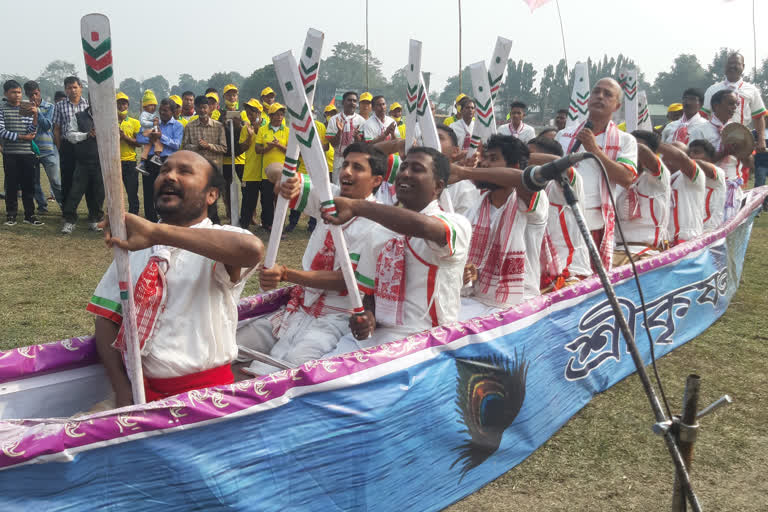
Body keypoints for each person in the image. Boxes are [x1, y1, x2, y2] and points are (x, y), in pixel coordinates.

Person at [87, 150, 263, 406]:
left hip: (206, 400)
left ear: (211, 195)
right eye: (164, 170)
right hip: (138, 393)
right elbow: (106, 318)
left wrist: (157, 233)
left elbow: (252, 250)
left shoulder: (224, 237)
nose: (169, 176)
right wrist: (123, 390)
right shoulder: (136, 246)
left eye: (185, 171)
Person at [237, 143, 386, 374]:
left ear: (376, 180)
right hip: (297, 308)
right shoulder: (329, 196)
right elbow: (273, 168)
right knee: (234, 344)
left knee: (293, 369)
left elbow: (346, 279)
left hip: (337, 317)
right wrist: (286, 180)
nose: (346, 171)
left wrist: (287, 274)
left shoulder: (378, 224)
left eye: (357, 167)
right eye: (345, 164)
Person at [324, 147, 472, 353]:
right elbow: (370, 295)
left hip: (427, 343)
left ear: (437, 186)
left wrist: (357, 207)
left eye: (417, 169)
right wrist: (369, 318)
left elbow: (424, 227)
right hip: (374, 342)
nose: (405, 173)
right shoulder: (378, 229)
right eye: (403, 167)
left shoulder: (455, 224)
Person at [453, 135, 549, 318]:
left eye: (493, 159)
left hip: (519, 301)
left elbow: (521, 179)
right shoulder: (476, 206)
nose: (484, 164)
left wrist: (465, 172)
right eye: (485, 158)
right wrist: (467, 272)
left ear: (514, 167)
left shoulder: (530, 201)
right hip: (476, 299)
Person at [555, 77, 638, 271]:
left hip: (593, 226)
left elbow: (627, 178)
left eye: (607, 94)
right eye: (596, 91)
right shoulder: (564, 135)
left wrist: (594, 150)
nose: (600, 96)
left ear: (616, 106)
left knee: (589, 281)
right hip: (559, 219)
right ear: (588, 98)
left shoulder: (626, 141)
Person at [612, 131, 671, 266]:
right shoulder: (617, 179)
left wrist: (627, 144)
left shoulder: (659, 177)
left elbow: (646, 154)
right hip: (619, 250)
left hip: (648, 252)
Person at [702, 52, 767, 154]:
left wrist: (761, 140)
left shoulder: (751, 90)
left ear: (743, 66)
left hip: (742, 141)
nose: (732, 66)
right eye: (729, 63)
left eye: (736, 63)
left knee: (741, 169)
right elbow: (704, 116)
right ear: (725, 66)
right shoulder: (713, 89)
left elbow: (758, 117)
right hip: (714, 140)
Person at [182, 95, 228, 224]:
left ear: (209, 108)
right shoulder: (190, 127)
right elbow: (185, 147)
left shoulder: (218, 126)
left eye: (204, 107)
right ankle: (199, 220)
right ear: (195, 108)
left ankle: (214, 221)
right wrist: (196, 147)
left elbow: (224, 148)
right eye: (199, 108)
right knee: (197, 195)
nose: (202, 110)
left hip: (214, 168)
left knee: (213, 195)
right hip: (196, 168)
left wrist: (209, 146)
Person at [136, 99, 184, 222]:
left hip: (168, 161)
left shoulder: (177, 126)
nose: (162, 113)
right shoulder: (153, 123)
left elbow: (176, 145)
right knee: (148, 191)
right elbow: (140, 138)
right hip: (151, 160)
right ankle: (150, 219)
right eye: (161, 110)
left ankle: (168, 218)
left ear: (173, 112)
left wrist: (161, 136)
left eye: (166, 110)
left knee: (167, 190)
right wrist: (151, 138)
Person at [1, 80, 41, 226]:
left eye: (18, 92)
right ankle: (11, 215)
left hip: (27, 153)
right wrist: (22, 137)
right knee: (11, 186)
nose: (17, 95)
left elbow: (31, 131)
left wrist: (36, 115)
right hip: (10, 153)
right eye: (13, 92)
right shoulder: (2, 109)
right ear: (6, 93)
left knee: (28, 186)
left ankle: (30, 215)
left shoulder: (27, 108)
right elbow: (1, 131)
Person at [61, 104, 105, 233]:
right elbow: (70, 136)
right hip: (83, 162)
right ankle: (69, 221)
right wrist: (86, 135)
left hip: (100, 162)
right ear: (91, 98)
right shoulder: (79, 116)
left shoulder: (106, 116)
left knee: (97, 193)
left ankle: (95, 220)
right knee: (75, 192)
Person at [688, 90, 748, 185]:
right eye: (730, 104)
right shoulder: (699, 131)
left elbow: (750, 164)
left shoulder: (738, 130)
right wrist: (725, 152)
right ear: (716, 106)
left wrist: (745, 150)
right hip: (709, 186)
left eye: (736, 104)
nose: (734, 108)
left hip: (734, 186)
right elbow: (695, 163)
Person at [657, 141, 707, 245]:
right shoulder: (657, 179)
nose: (669, 159)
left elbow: (681, 159)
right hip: (663, 244)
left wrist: (650, 142)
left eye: (674, 155)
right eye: (666, 155)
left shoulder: (694, 176)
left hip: (688, 243)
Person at [24, 80, 63, 210]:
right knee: (33, 182)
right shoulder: (24, 108)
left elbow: (47, 125)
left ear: (39, 91)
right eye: (30, 95)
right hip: (31, 150)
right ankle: (42, 205)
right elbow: (24, 127)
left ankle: (65, 207)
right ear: (26, 95)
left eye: (35, 94)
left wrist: (37, 112)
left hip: (49, 150)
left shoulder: (50, 107)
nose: (33, 97)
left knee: (56, 182)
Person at [52, 76, 88, 205]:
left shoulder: (88, 105)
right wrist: (59, 147)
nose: (72, 90)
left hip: (85, 144)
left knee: (87, 177)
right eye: (69, 88)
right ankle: (67, 211)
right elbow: (56, 129)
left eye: (75, 87)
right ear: (65, 90)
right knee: (67, 178)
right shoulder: (60, 106)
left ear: (80, 88)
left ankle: (93, 213)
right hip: (67, 145)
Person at [238, 99, 273, 231]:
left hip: (265, 170)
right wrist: (249, 136)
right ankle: (244, 225)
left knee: (267, 200)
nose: (249, 116)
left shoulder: (268, 126)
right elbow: (242, 148)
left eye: (252, 113)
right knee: (248, 200)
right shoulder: (245, 128)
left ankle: (267, 224)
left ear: (259, 112)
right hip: (251, 170)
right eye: (247, 113)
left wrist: (258, 131)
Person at [253, 103, 289, 231]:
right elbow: (257, 149)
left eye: (281, 114)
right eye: (276, 114)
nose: (279, 117)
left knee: (280, 199)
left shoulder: (287, 130)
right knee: (267, 199)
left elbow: (292, 151)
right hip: (266, 173)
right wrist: (268, 148)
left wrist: (279, 146)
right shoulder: (263, 130)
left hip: (283, 172)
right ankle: (268, 224)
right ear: (270, 116)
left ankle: (279, 226)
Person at [438, 124, 479, 217]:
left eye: (439, 137)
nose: (432, 141)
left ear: (455, 151)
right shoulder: (411, 177)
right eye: (425, 137)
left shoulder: (466, 189)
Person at [326, 91, 365, 184]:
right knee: (337, 188)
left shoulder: (361, 121)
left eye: (354, 101)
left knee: (353, 188)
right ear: (343, 102)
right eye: (349, 100)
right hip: (339, 159)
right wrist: (340, 132)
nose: (352, 103)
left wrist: (356, 137)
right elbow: (333, 143)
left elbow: (362, 145)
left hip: (355, 160)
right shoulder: (334, 120)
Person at [116, 92, 142, 215]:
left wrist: (125, 137)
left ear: (128, 105)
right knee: (114, 193)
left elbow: (139, 143)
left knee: (132, 192)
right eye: (119, 103)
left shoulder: (134, 122)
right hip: (114, 161)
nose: (121, 106)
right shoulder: (110, 122)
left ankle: (133, 216)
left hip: (130, 161)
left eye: (124, 103)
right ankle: (113, 217)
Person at [136, 90, 161, 174]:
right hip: (146, 131)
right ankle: (157, 156)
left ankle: (142, 163)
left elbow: (158, 122)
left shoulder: (154, 114)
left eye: (154, 105)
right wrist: (152, 123)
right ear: (145, 106)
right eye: (150, 105)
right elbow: (142, 122)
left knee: (147, 147)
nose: (153, 107)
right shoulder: (144, 114)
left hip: (150, 132)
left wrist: (158, 121)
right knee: (157, 142)